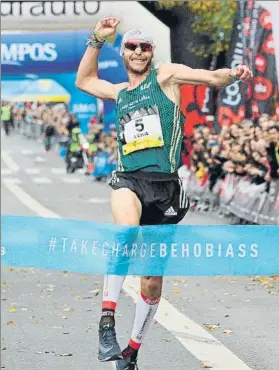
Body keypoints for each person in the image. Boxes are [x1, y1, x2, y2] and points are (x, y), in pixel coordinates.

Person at [76, 17, 252, 370]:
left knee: (152, 280)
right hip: (129, 179)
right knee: (126, 235)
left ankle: (131, 352)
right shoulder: (120, 91)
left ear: (151, 52)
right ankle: (106, 323)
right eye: (131, 47)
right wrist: (97, 39)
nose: (138, 52)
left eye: (144, 47)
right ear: (124, 54)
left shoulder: (166, 76)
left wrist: (233, 74)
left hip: (166, 189)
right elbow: (84, 80)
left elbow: (210, 77)